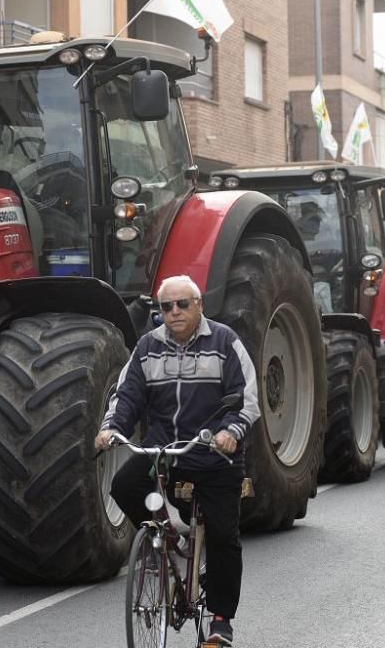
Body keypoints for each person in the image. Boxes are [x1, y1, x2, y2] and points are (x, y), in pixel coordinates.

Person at [95, 275, 259, 648]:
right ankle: (162, 538)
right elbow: (127, 395)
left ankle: (219, 620)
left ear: (199, 305)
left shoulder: (225, 342)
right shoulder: (147, 348)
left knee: (222, 536)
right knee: (124, 484)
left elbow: (246, 398)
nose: (174, 313)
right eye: (165, 307)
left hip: (216, 454)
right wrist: (110, 429)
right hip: (164, 452)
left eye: (182, 304)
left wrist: (231, 431)